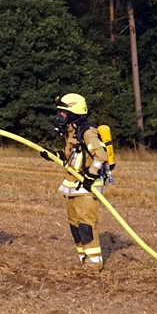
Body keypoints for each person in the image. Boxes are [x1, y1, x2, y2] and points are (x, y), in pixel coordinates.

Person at [52, 93, 107, 268]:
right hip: (74, 185)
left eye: (63, 113)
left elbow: (101, 155)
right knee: (74, 224)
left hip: (87, 185)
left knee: (86, 224)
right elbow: (72, 157)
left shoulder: (87, 132)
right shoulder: (71, 132)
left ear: (74, 113)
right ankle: (84, 258)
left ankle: (94, 262)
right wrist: (54, 155)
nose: (60, 116)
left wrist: (91, 176)